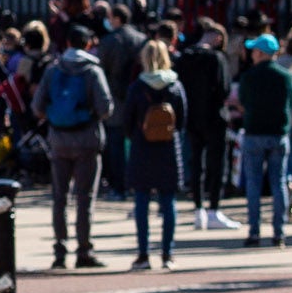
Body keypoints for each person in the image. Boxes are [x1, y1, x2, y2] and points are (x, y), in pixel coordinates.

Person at [35, 26, 112, 270]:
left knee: (59, 197)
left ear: (67, 42)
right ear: (88, 44)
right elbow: (105, 107)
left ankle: (59, 250)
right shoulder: (92, 71)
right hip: (87, 140)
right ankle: (83, 250)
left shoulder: (53, 69)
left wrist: (55, 117)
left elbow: (37, 105)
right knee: (84, 198)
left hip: (59, 140)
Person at [123, 40, 188, 270]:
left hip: (142, 147)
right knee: (168, 201)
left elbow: (128, 122)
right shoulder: (175, 85)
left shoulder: (137, 87)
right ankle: (167, 253)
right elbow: (181, 120)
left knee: (141, 201)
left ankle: (143, 254)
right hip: (168, 148)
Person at [233, 35, 292, 247]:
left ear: (260, 53)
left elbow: (242, 103)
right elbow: (290, 103)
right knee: (278, 182)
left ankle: (254, 231)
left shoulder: (249, 77)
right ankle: (279, 232)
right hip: (278, 133)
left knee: (254, 184)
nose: (251, 55)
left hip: (254, 133)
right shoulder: (285, 76)